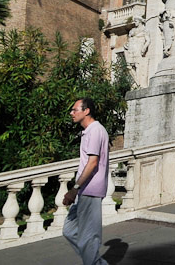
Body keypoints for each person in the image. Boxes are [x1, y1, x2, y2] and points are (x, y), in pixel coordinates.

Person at [62, 98, 110, 264]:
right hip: (83, 191)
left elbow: (93, 162)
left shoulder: (95, 130)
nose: (71, 113)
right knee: (69, 230)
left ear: (86, 111)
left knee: (88, 238)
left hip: (90, 190)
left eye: (75, 110)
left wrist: (74, 188)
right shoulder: (88, 131)